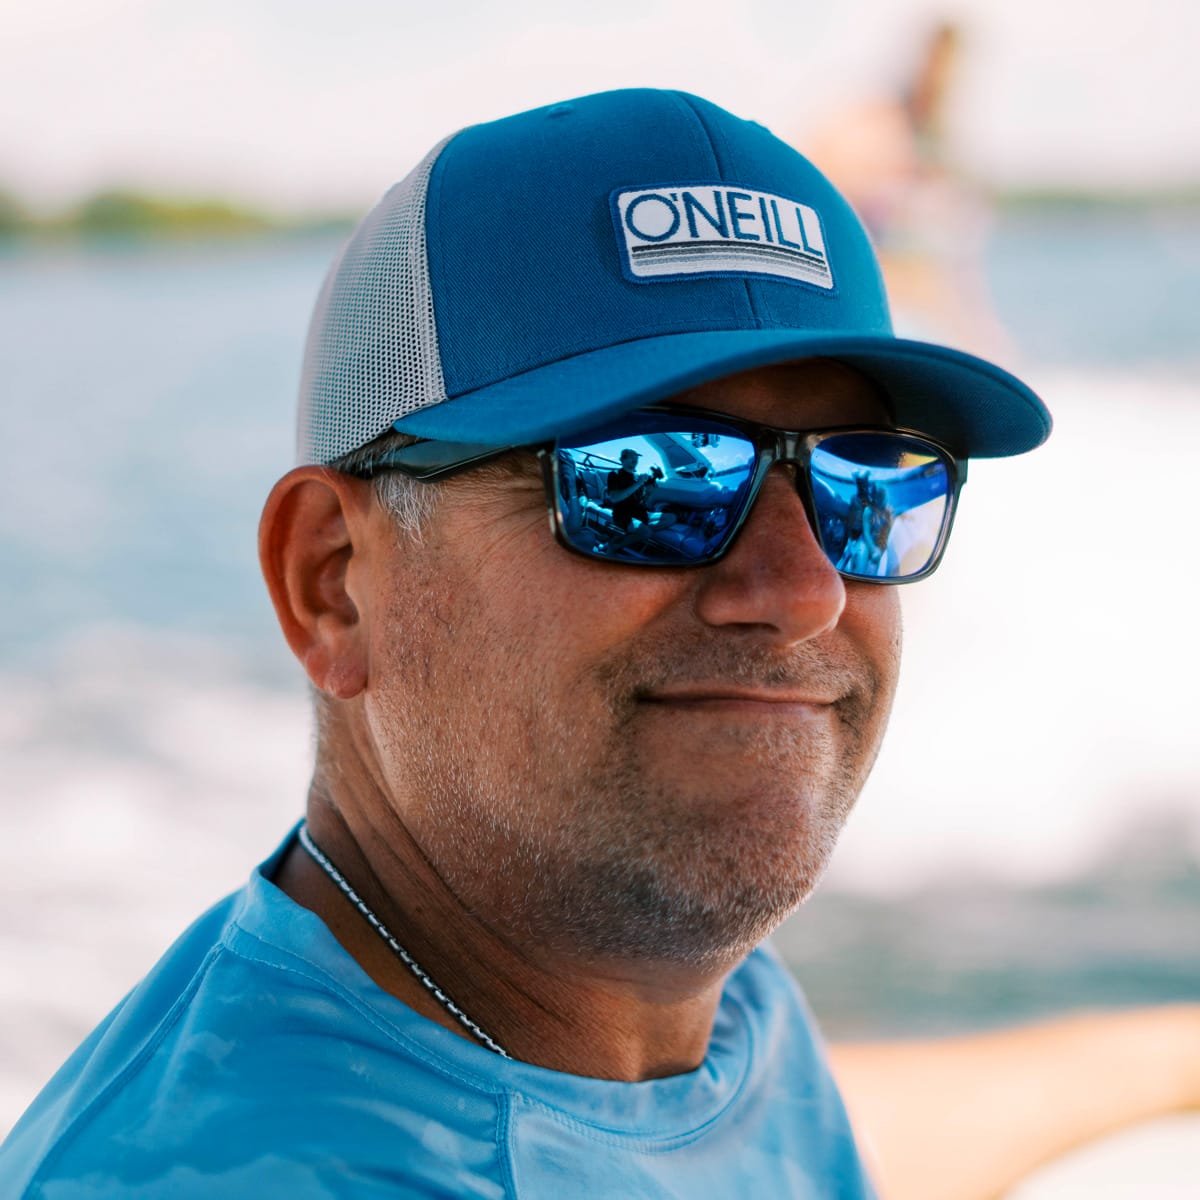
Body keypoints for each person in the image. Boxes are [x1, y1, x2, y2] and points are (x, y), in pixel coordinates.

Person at [2, 88, 1196, 1199]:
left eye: (864, 484)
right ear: (334, 584)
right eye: (651, 480)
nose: (805, 592)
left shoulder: (669, 1000)